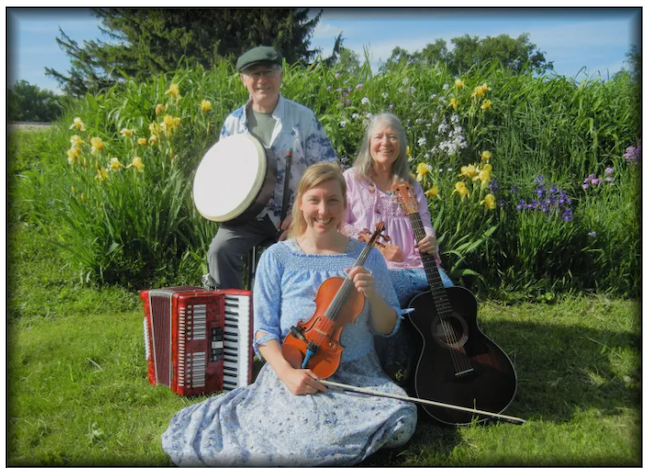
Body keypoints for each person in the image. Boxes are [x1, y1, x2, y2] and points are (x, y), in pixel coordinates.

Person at [162, 163, 417, 466]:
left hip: (358, 375)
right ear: (300, 203)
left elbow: (388, 328)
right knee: (302, 428)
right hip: (296, 366)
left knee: (403, 420)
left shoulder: (368, 256)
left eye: (333, 200)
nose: (324, 210)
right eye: (315, 200)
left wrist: (372, 295)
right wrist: (288, 375)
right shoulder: (278, 257)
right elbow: (264, 331)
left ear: (345, 204)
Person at [204, 45, 337, 291]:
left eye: (268, 72)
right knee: (220, 250)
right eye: (254, 74)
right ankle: (233, 316)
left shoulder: (303, 118)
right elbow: (221, 173)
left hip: (297, 215)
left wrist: (302, 212)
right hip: (246, 218)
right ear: (244, 80)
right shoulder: (233, 123)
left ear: (281, 75)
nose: (262, 80)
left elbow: (329, 170)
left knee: (302, 264)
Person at [342, 112, 453, 383]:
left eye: (392, 136)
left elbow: (424, 222)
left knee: (450, 294)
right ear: (369, 142)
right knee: (394, 289)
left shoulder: (410, 185)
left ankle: (441, 359)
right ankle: (393, 364)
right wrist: (376, 246)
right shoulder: (351, 180)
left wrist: (428, 238)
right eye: (379, 136)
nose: (385, 142)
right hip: (373, 262)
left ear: (401, 144)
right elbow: (340, 224)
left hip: (416, 261)